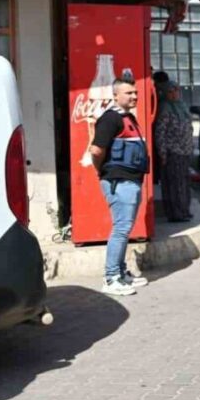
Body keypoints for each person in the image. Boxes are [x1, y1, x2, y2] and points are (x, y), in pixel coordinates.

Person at [88, 79, 150, 296]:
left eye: (135, 92)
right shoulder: (110, 118)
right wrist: (102, 171)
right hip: (118, 182)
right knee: (121, 229)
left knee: (124, 229)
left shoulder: (127, 117)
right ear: (115, 96)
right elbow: (96, 151)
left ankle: (121, 273)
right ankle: (111, 277)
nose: (134, 96)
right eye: (128, 93)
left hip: (130, 181)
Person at [153, 81, 194, 223]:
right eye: (170, 91)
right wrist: (162, 153)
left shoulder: (182, 107)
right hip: (172, 152)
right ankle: (175, 213)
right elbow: (160, 132)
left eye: (176, 91)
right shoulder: (165, 109)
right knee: (174, 184)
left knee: (184, 183)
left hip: (185, 151)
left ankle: (185, 210)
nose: (174, 94)